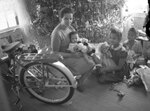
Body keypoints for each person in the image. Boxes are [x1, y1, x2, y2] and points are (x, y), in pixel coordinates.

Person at [50, 7, 95, 92]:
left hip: (74, 52)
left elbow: (76, 39)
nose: (69, 21)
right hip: (64, 57)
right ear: (60, 18)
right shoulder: (57, 33)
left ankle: (79, 78)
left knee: (92, 56)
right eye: (66, 19)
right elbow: (54, 53)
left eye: (71, 18)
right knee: (91, 63)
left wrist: (83, 41)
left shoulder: (70, 27)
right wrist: (72, 55)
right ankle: (79, 81)